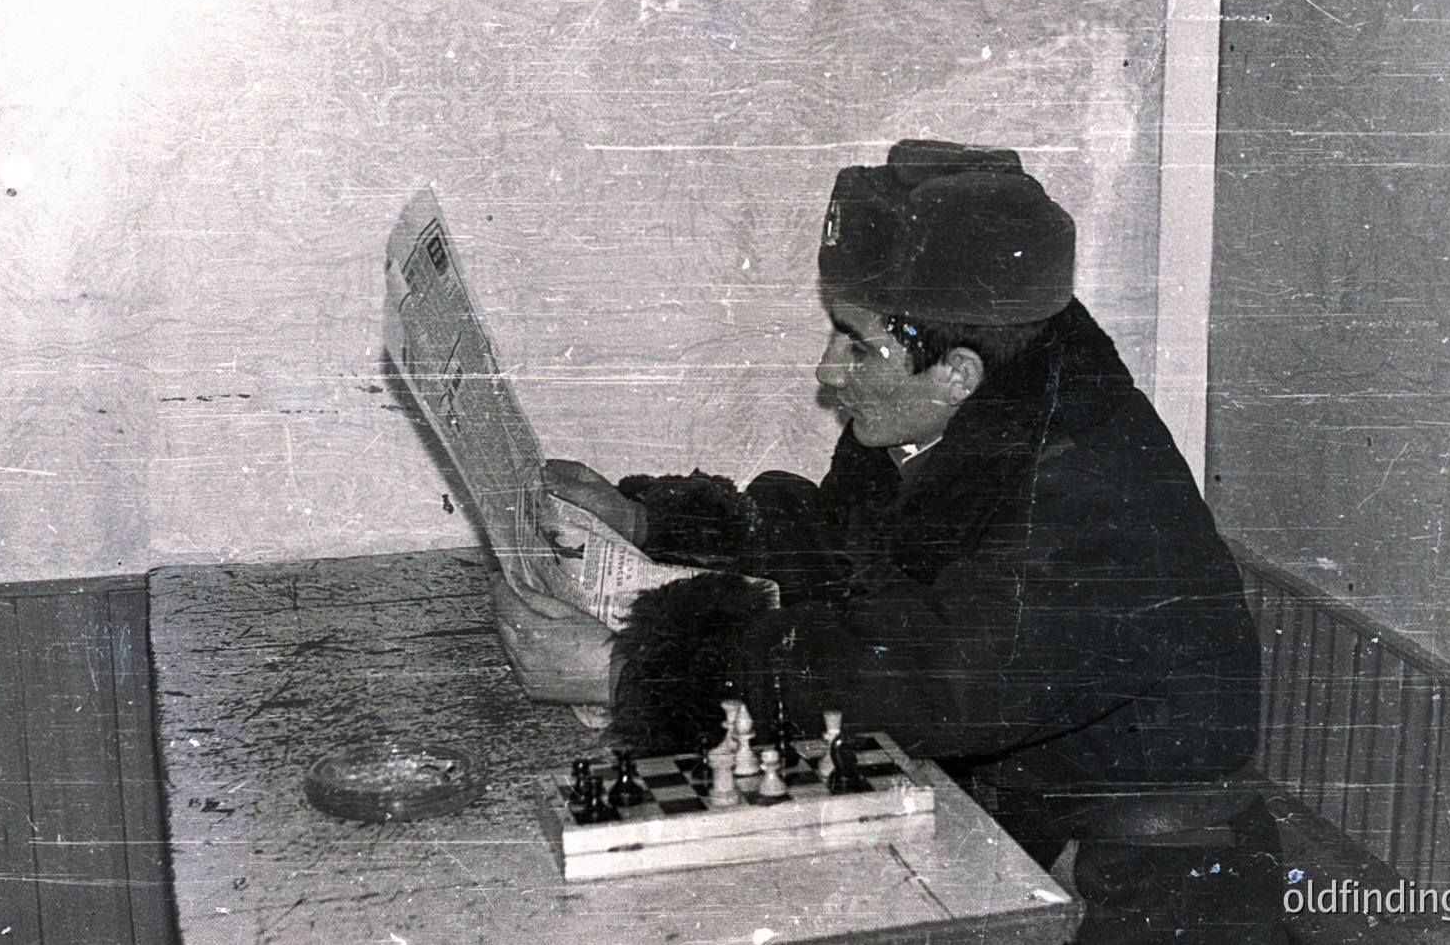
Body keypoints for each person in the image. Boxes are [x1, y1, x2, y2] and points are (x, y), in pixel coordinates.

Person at [528, 140, 1285, 944]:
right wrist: (653, 524)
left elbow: (930, 676)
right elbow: (854, 554)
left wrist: (632, 669)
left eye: (858, 345)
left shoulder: (1095, 495)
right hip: (1011, 829)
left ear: (956, 371)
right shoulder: (979, 400)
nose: (828, 370)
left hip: (1143, 896)